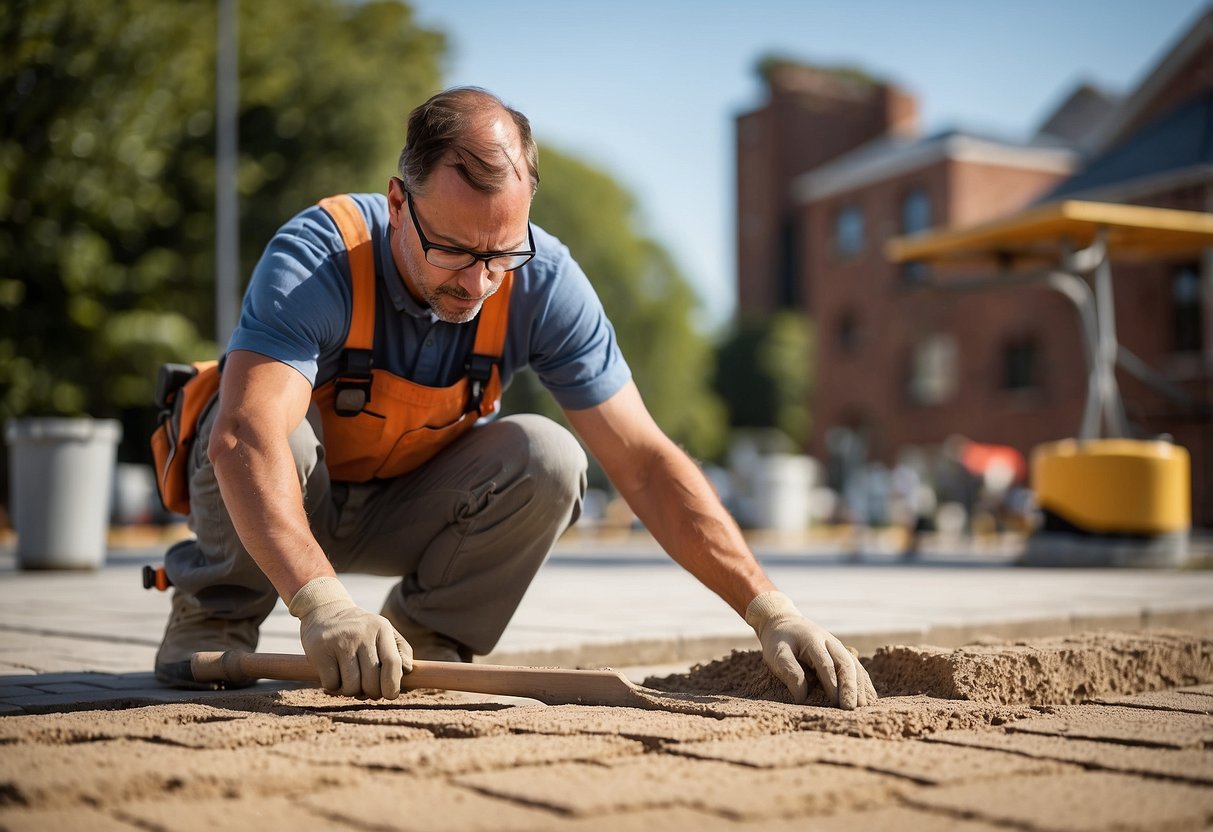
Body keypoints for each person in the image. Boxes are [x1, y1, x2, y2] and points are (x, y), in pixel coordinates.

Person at [155, 86, 877, 709]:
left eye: (501, 254)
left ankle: (420, 641)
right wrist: (321, 606)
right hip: (281, 497)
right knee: (266, 426)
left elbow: (646, 462)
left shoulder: (544, 282)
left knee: (549, 455)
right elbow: (245, 439)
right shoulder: (322, 255)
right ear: (399, 202)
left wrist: (770, 610)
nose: (477, 284)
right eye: (455, 252)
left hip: (404, 507)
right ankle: (215, 612)